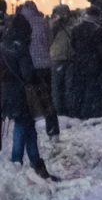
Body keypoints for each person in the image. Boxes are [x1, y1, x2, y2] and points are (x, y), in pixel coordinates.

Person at [1, 14, 60, 180]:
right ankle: (17, 161)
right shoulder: (21, 47)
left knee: (28, 126)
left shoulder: (3, 45)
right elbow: (27, 73)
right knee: (22, 125)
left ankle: (36, 163)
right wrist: (36, 78)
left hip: (6, 92)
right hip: (21, 93)